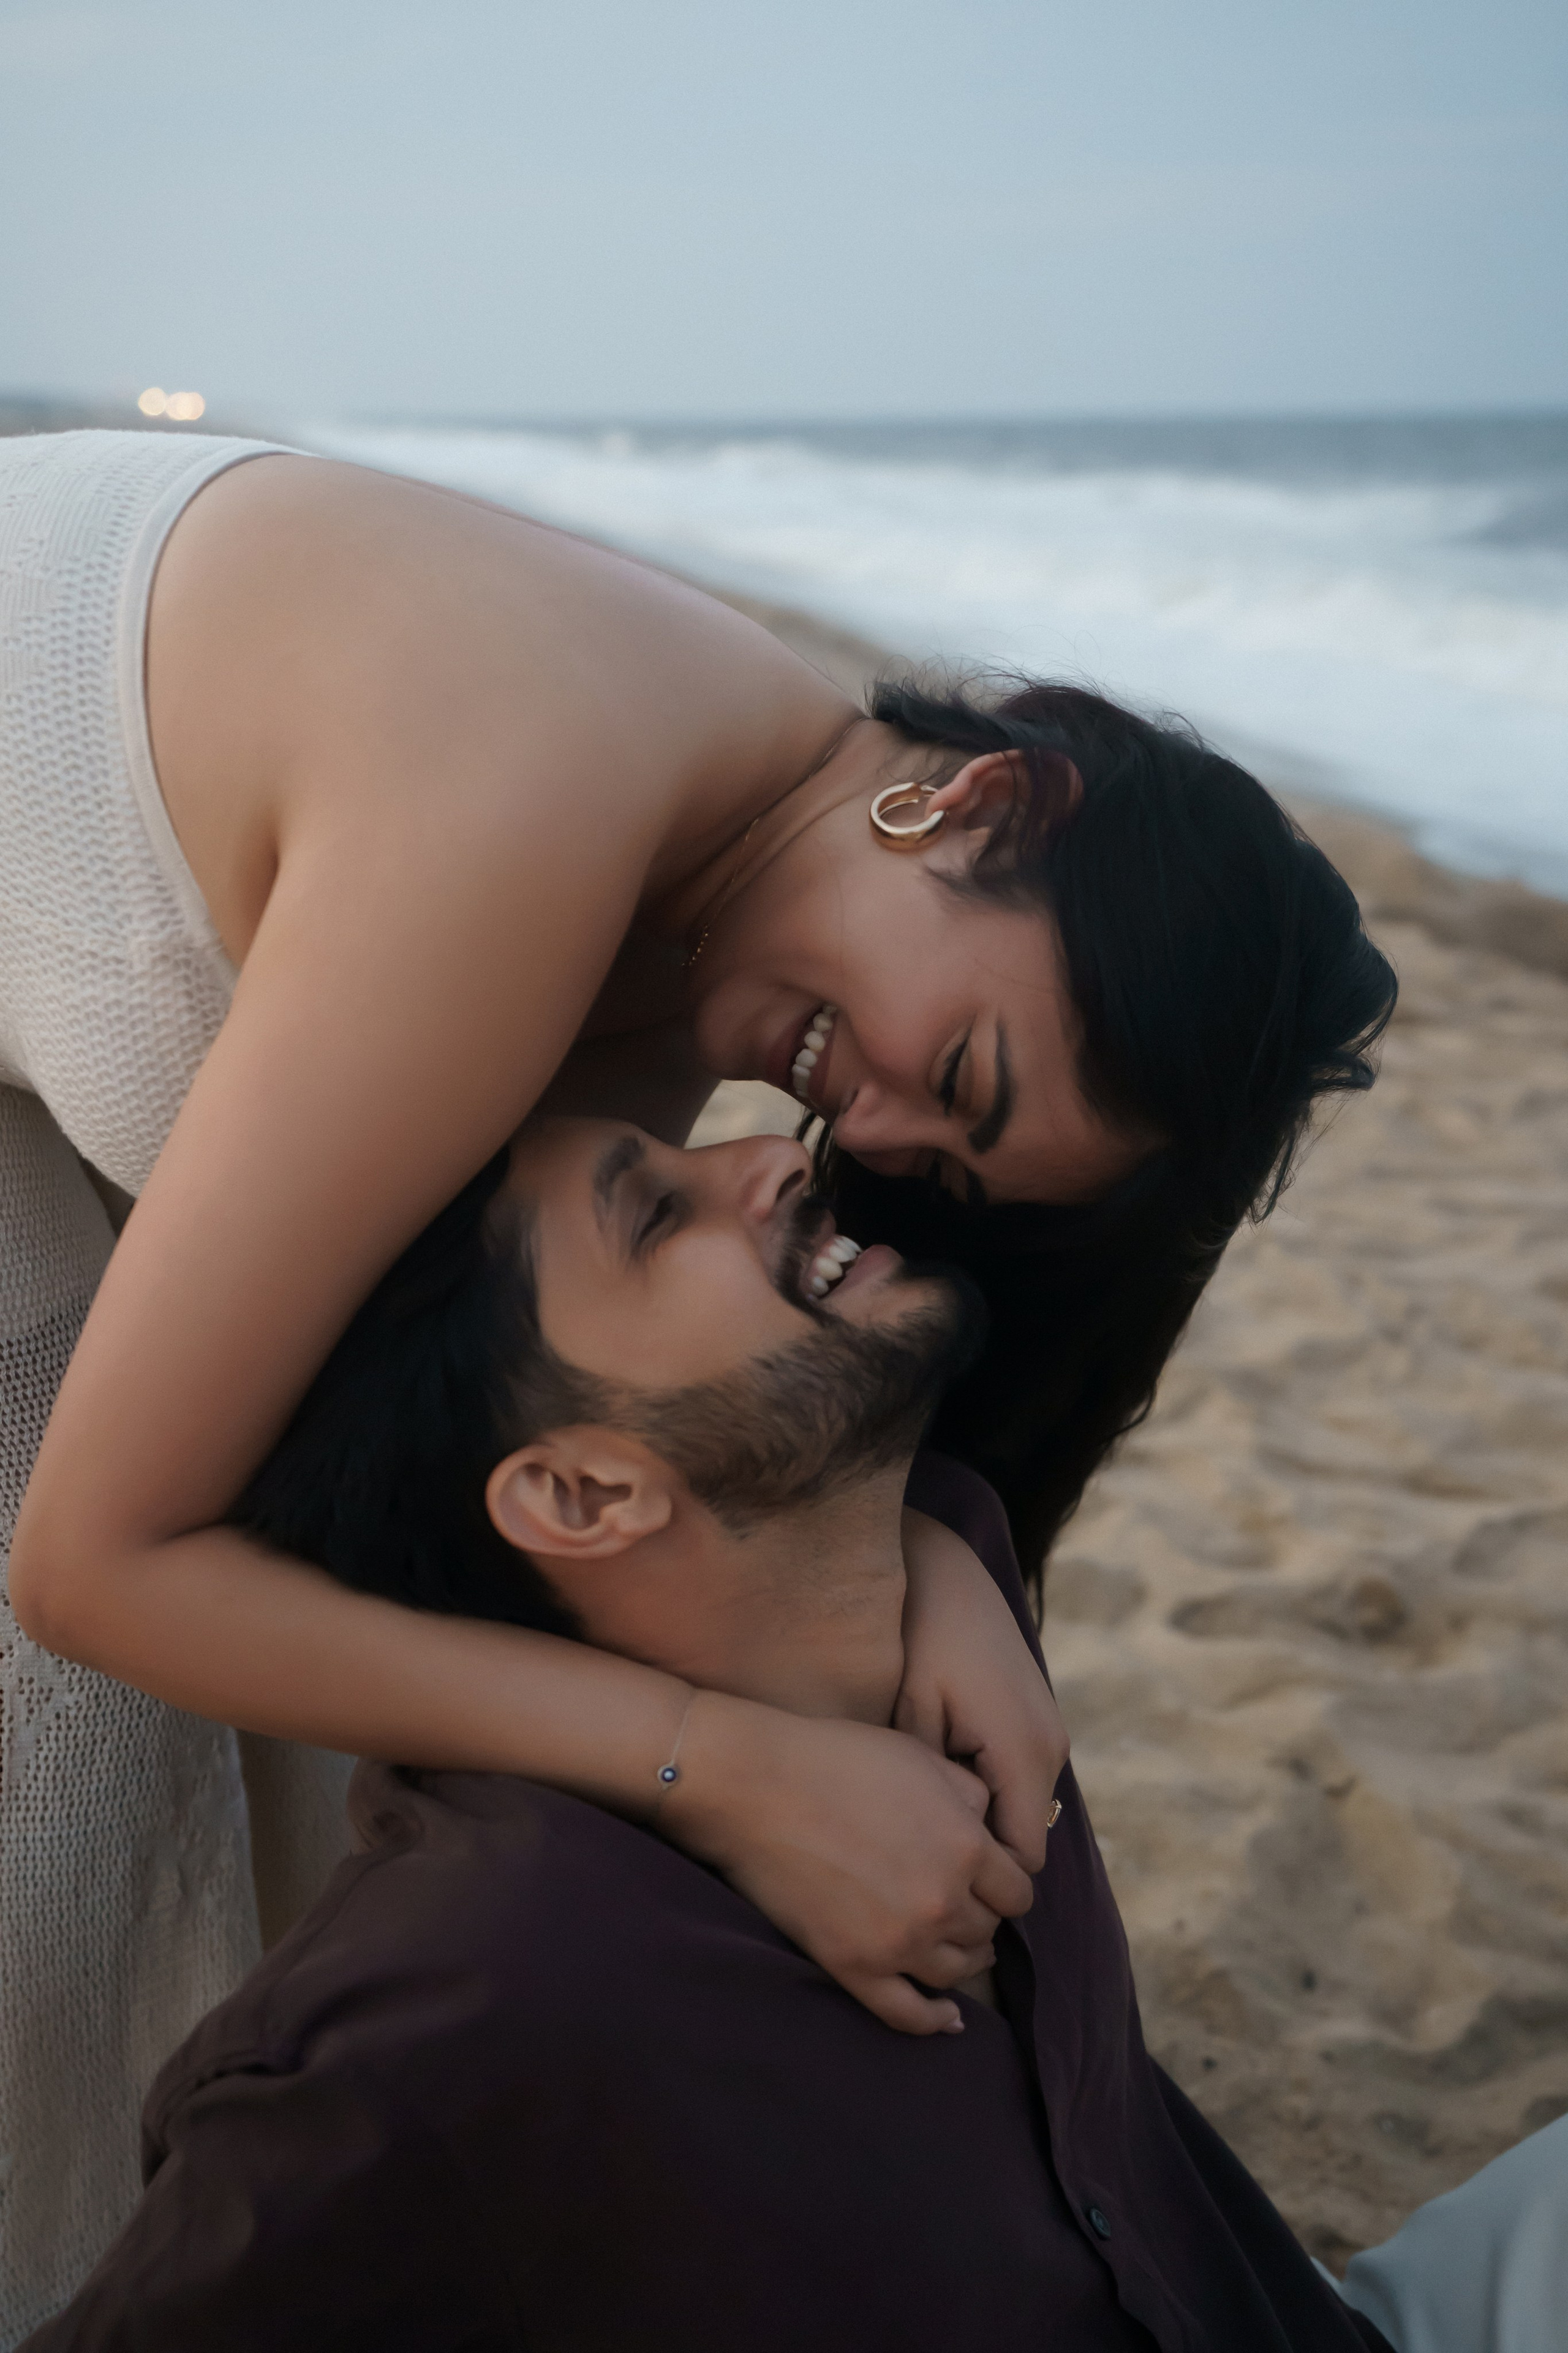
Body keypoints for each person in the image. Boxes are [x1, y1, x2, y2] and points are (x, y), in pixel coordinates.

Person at [0, 427, 1396, 2332]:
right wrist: (720, 1765)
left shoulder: (712, 866)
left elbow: (527, 1401)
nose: (865, 1132)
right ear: (990, 800)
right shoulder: (528, 811)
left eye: (948, 1166)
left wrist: (932, 1547)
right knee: (79, 1828)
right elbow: (90, 1565)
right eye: (958, 1073)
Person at [19, 1114, 1394, 2352]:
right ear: (576, 1490)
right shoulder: (464, 1996)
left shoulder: (939, 1567)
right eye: (659, 1215)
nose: (774, 1153)